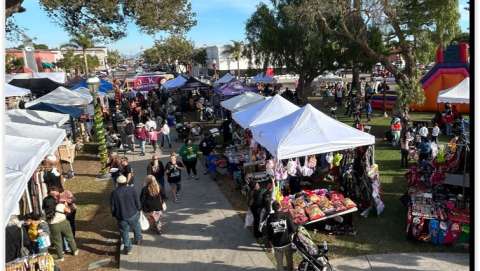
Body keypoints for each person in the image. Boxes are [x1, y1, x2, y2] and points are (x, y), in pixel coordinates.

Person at [44, 187, 78, 261]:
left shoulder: (46, 211)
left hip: (53, 225)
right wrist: (65, 206)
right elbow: (69, 211)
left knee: (57, 241)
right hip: (63, 222)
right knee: (70, 237)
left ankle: (61, 256)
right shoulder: (60, 205)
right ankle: (74, 250)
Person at [110, 175, 142, 255]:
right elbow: (137, 201)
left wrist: (114, 215)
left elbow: (113, 207)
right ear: (126, 182)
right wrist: (139, 209)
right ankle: (138, 239)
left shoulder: (114, 193)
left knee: (124, 232)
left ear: (117, 183)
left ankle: (128, 248)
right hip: (133, 214)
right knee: (136, 226)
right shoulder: (132, 190)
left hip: (121, 217)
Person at [265, 201, 296, 271]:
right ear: (280, 207)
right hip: (287, 242)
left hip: (277, 244)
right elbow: (293, 229)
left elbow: (268, 233)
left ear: (273, 209)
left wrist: (269, 244)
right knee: (289, 261)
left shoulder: (269, 218)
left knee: (279, 263)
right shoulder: (287, 215)